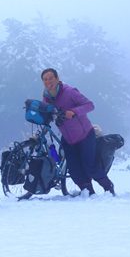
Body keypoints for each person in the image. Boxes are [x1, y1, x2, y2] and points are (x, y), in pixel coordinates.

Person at [41, 68, 115, 196]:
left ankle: (108, 187)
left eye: (51, 78)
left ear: (57, 79)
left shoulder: (69, 92)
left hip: (85, 134)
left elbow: (90, 105)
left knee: (90, 166)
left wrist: (74, 112)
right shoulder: (46, 97)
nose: (48, 82)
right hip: (68, 138)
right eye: (45, 79)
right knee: (74, 170)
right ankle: (89, 192)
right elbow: (47, 110)